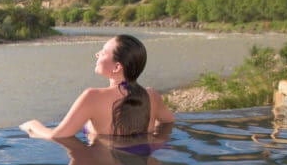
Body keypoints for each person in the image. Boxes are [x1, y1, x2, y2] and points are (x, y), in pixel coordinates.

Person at [19, 34, 175, 140]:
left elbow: (56, 136)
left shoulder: (93, 97)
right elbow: (168, 122)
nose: (97, 54)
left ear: (116, 67)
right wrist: (154, 143)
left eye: (104, 52)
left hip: (103, 163)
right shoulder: (152, 96)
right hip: (139, 161)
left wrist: (32, 125)